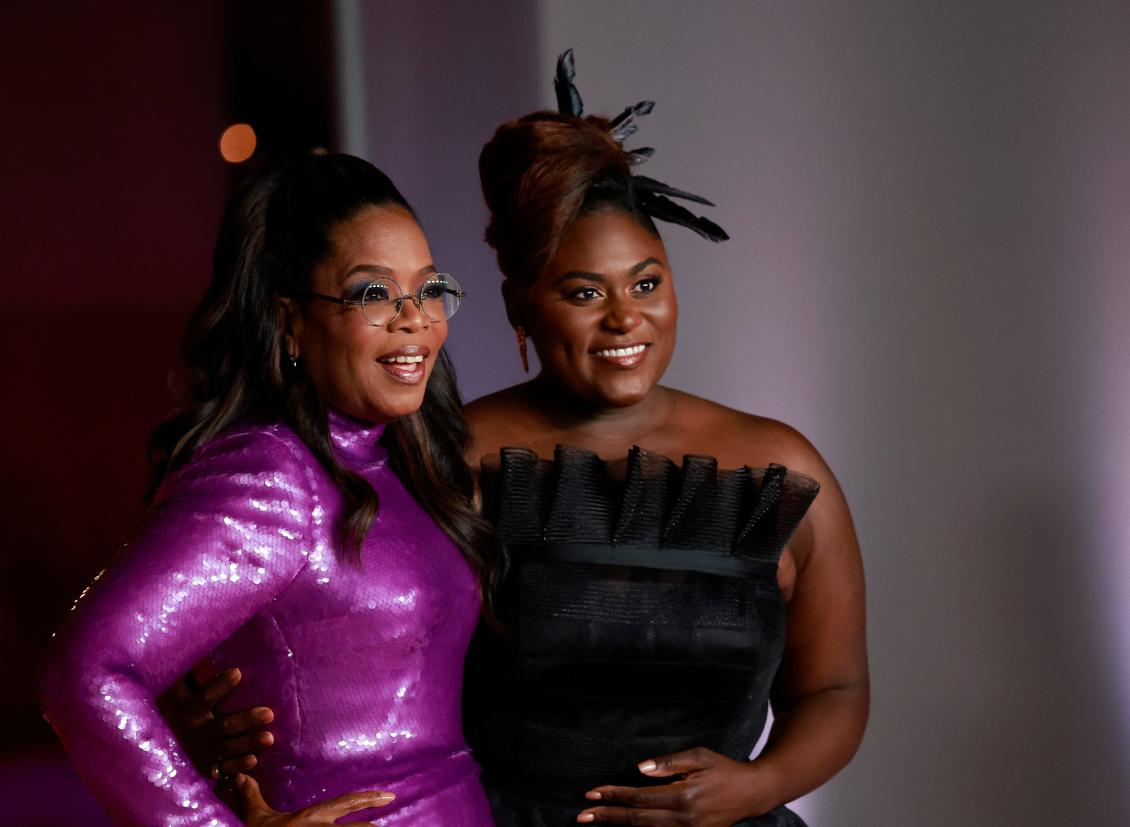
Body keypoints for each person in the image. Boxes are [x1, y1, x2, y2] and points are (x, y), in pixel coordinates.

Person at [180, 52, 868, 827]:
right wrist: (205, 732)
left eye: (647, 283)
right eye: (583, 293)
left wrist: (755, 785)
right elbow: (316, 644)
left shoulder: (779, 467)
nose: (624, 318)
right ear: (519, 305)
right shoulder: (437, 457)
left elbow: (834, 691)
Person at [40, 151, 500, 827]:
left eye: (428, 289)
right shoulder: (271, 477)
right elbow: (85, 672)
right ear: (289, 321)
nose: (415, 319)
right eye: (373, 293)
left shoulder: (403, 454)